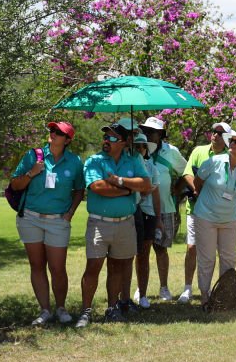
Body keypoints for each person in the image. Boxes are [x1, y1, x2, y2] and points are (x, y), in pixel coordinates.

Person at [9, 121, 86, 325]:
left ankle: (61, 308)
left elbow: (80, 189)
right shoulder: (33, 156)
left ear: (68, 140)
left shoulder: (75, 161)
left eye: (58, 132)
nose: (52, 134)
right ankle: (45, 310)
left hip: (58, 221)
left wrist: (70, 213)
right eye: (52, 130)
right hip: (30, 218)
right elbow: (15, 185)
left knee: (57, 267)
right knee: (36, 265)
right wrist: (32, 172)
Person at [77, 121, 153, 327]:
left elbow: (146, 185)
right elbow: (98, 187)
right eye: (105, 137)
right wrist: (129, 189)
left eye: (111, 138)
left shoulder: (135, 159)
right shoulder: (94, 161)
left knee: (117, 267)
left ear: (124, 142)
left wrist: (119, 181)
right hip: (99, 224)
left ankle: (112, 308)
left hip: (125, 224)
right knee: (93, 267)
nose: (106, 141)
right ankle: (86, 311)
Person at [192, 129, 236, 307]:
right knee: (207, 258)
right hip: (206, 217)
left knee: (228, 259)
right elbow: (198, 182)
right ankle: (205, 297)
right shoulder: (213, 162)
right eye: (231, 140)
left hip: (229, 219)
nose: (231, 144)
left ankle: (224, 298)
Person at [179, 121, 231, 304]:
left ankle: (220, 291)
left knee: (216, 252)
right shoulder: (199, 151)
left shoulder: (229, 157)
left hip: (218, 213)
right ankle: (187, 288)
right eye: (213, 131)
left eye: (219, 133)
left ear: (227, 139)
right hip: (195, 209)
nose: (215, 135)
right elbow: (187, 173)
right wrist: (197, 190)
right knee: (192, 247)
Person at [140, 116, 187, 302]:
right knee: (141, 252)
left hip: (165, 208)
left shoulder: (171, 151)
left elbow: (187, 170)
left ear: (160, 135)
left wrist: (178, 189)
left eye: (153, 132)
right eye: (146, 131)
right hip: (142, 208)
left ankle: (164, 287)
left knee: (161, 249)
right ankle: (140, 288)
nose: (149, 135)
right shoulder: (138, 149)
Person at [133, 132, 162, 308]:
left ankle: (143, 294)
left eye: (142, 146)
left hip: (148, 214)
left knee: (144, 254)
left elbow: (156, 195)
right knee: (128, 255)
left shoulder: (152, 168)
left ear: (146, 149)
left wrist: (158, 219)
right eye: (136, 146)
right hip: (131, 211)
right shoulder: (127, 165)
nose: (139, 149)